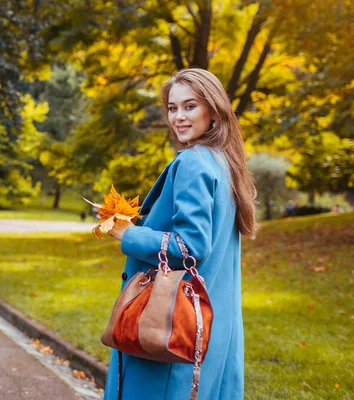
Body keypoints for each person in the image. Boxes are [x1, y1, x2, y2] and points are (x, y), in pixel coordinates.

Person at [104, 69, 258, 400]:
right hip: (210, 324)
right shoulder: (223, 163)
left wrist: (127, 234)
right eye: (172, 108)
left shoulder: (194, 163)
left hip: (172, 327)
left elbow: (191, 245)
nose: (178, 117)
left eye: (190, 106)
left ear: (213, 110)